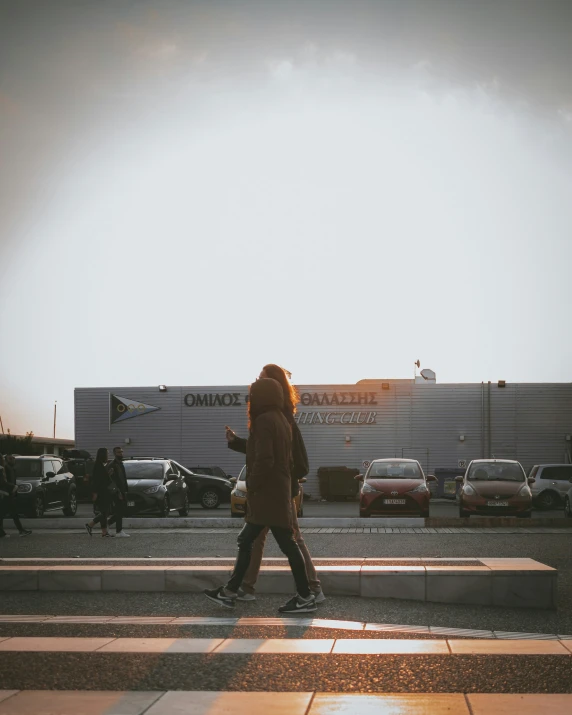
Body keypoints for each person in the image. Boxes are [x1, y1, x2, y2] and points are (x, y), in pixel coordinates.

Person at [204, 377, 317, 613]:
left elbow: (265, 459)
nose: (250, 398)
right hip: (277, 491)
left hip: (267, 493)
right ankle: (231, 590)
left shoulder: (264, 421)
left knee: (282, 543)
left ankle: (305, 595)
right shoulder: (280, 419)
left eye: (253, 394)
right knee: (259, 541)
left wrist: (251, 484)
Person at [0, 454, 32, 537]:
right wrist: (13, 487)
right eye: (9, 459)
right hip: (6, 493)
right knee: (9, 513)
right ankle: (19, 530)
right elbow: (3, 482)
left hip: (8, 493)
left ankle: (19, 530)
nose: (13, 460)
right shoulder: (4, 469)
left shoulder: (9, 468)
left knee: (8, 513)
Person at [85, 448, 114, 537]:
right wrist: (95, 493)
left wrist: (108, 474)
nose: (108, 455)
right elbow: (97, 480)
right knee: (104, 512)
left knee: (104, 512)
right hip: (101, 492)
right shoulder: (98, 466)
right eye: (107, 453)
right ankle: (91, 525)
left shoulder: (100, 465)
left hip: (103, 491)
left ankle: (102, 531)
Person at [107, 446, 130, 537]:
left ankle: (108, 523)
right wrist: (118, 492)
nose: (121, 454)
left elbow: (123, 478)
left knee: (122, 510)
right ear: (114, 454)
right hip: (117, 491)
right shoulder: (113, 465)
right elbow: (112, 480)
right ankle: (119, 531)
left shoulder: (120, 464)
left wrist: (125, 490)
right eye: (119, 452)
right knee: (119, 510)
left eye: (122, 452)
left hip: (123, 490)